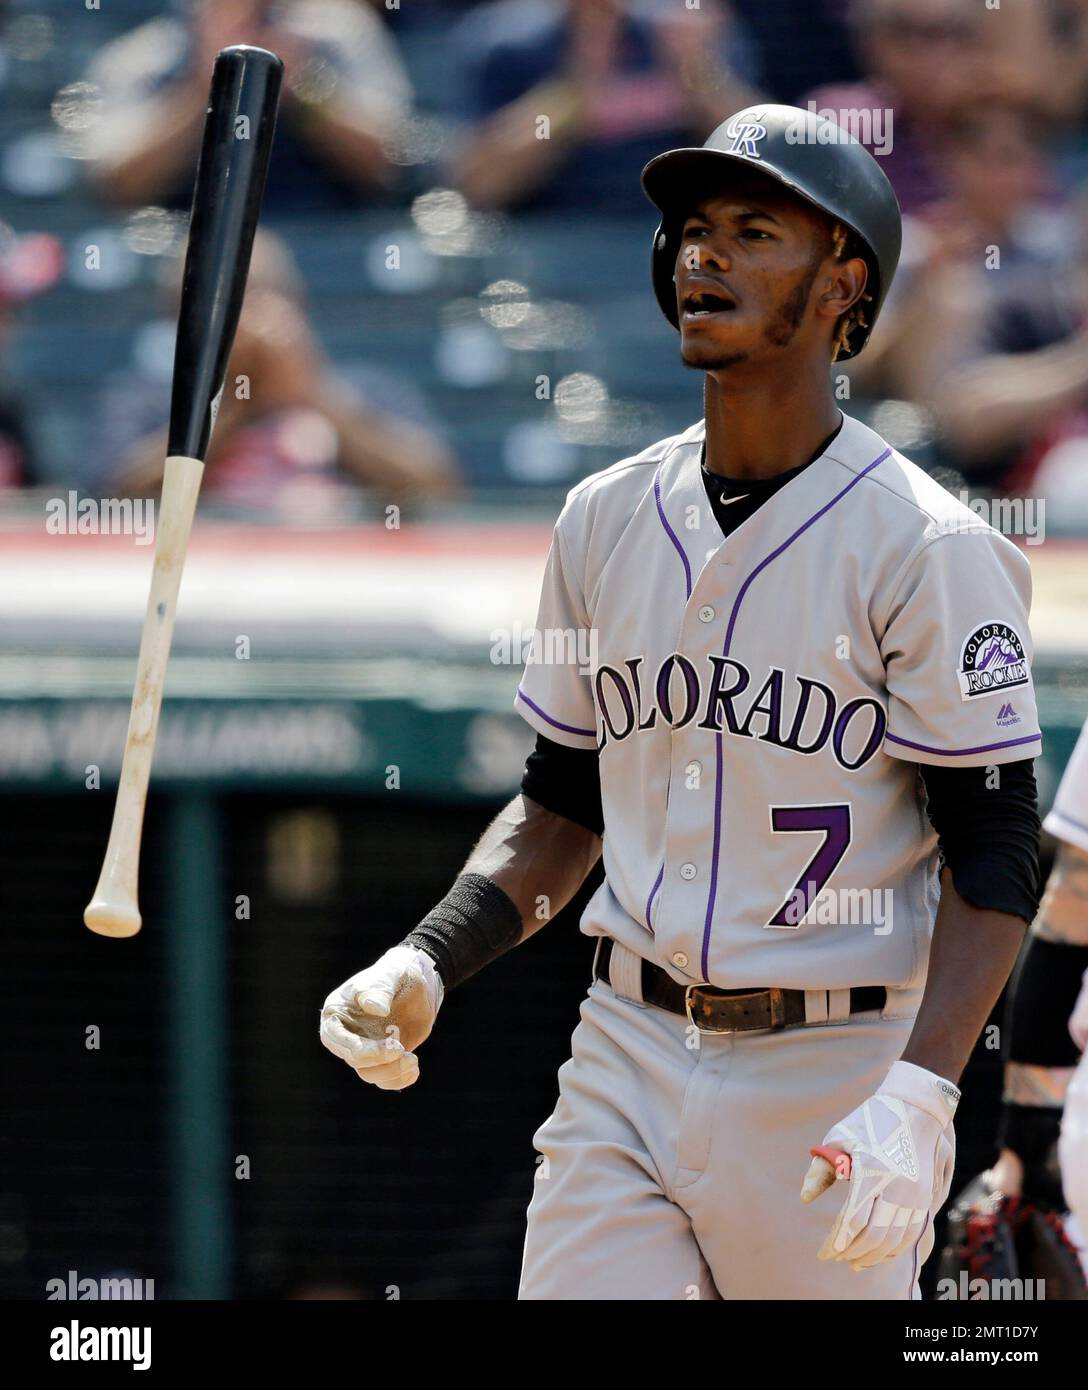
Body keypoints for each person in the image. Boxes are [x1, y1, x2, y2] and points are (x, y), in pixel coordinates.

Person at [320, 104, 1043, 1299]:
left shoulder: (927, 545)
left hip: (835, 1071)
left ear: (840, 283)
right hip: (628, 1049)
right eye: (692, 230)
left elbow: (997, 846)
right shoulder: (601, 517)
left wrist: (920, 1091)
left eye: (752, 230)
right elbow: (559, 802)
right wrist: (430, 955)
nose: (701, 253)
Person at [109, 231, 461, 512]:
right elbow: (122, 503)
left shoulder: (364, 389)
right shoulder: (148, 397)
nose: (243, 318)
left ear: (296, 302)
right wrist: (232, 404)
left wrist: (312, 394)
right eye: (218, 301)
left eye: (260, 295)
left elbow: (436, 490)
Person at [82, 0, 412, 215]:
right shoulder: (148, 53)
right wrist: (208, 91)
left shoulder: (337, 31)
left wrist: (301, 88)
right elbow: (119, 183)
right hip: (189, 247)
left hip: (328, 240)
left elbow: (390, 159)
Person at [448, 0, 763, 215]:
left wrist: (696, 73)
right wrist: (579, 83)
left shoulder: (688, 28)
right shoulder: (509, 42)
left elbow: (759, 157)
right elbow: (480, 186)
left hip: (674, 232)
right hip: (554, 243)